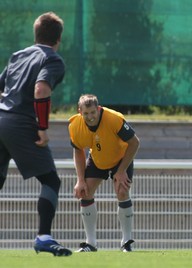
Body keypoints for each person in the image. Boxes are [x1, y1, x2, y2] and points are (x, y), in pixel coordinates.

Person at [0, 12, 72, 256]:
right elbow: (41, 89)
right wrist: (42, 127)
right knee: (51, 180)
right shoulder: (53, 59)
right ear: (58, 38)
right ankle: (43, 237)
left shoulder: (18, 55)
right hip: (22, 123)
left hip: (1, 119)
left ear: (36, 34)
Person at [68, 94, 140, 252]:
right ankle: (91, 244)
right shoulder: (75, 126)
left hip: (121, 159)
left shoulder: (113, 119)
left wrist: (121, 171)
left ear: (98, 109)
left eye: (93, 112)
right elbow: (78, 151)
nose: (90, 117)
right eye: (86, 113)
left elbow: (134, 143)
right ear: (80, 112)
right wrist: (80, 180)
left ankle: (126, 242)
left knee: (122, 192)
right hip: (97, 160)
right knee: (85, 192)